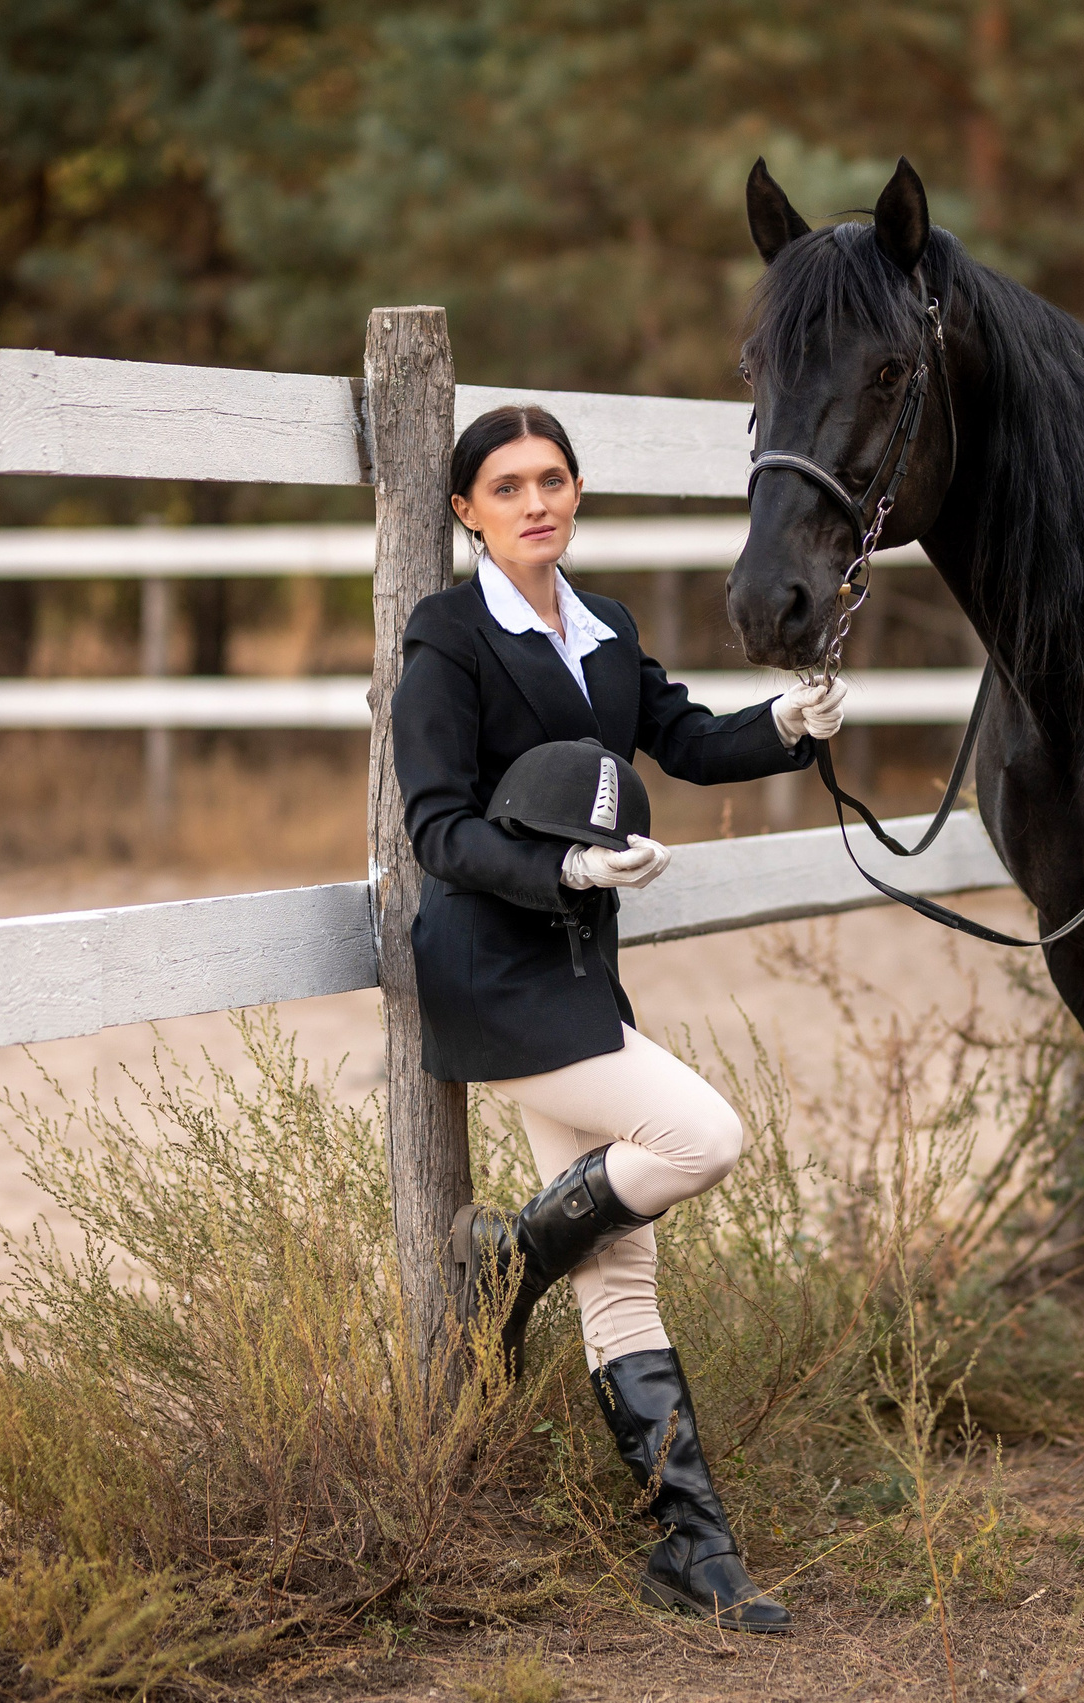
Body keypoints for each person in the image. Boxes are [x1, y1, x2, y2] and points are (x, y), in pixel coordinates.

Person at [391, 404, 847, 1635]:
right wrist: (566, 876)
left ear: (576, 493)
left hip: (579, 971)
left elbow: (683, 737)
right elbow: (436, 825)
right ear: (465, 511)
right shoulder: (446, 635)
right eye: (506, 485)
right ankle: (504, 1261)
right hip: (496, 970)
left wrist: (783, 730)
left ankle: (691, 1551)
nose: (534, 500)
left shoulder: (604, 632)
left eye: (552, 479)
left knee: (622, 1277)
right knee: (702, 1137)